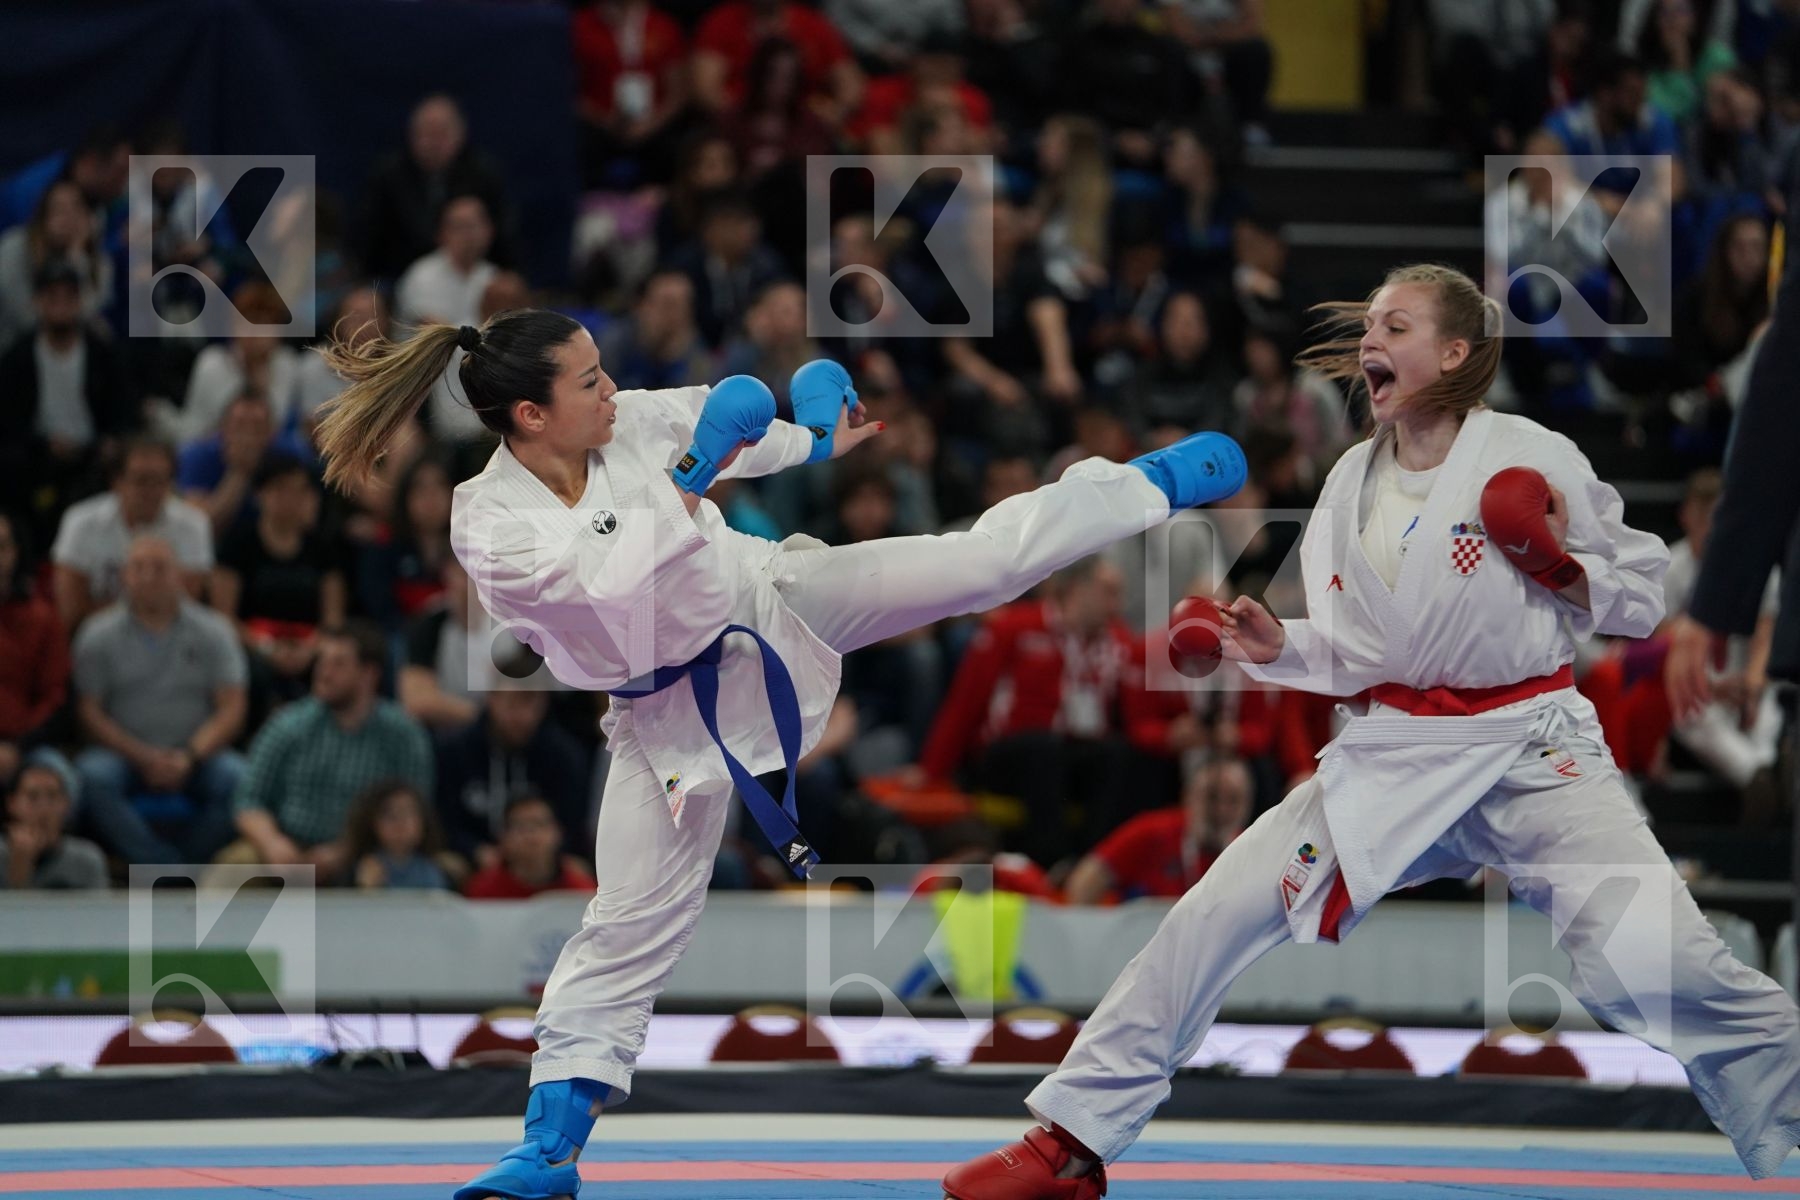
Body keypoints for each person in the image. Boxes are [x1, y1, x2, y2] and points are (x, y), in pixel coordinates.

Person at [308, 302, 1245, 1200]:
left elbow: (733, 426)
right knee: (629, 923)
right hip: (662, 714)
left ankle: (1142, 485)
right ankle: (547, 1151)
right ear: (529, 413)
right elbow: (608, 584)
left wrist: (816, 434)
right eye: (590, 380)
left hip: (767, 599)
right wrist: (690, 473)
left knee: (976, 567)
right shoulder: (488, 520)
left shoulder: (626, 421)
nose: (611, 390)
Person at [944, 263, 1800, 1198]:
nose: (1370, 343)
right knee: (1212, 915)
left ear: (1455, 352)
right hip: (1392, 752)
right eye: (1370, 327)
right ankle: (1068, 1144)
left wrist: (1561, 567)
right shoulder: (1351, 478)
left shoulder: (1531, 452)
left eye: (1396, 326)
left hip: (1532, 747)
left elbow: (1639, 593)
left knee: (1661, 962)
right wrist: (1273, 645)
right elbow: (1357, 652)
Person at [72, 536, 248, 867]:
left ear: (179, 574)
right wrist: (142, 756)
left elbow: (232, 706)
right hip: (125, 756)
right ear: (124, 575)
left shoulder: (215, 630)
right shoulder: (96, 634)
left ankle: (186, 865)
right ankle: (161, 867)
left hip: (197, 756)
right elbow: (88, 710)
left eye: (160, 567)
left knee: (240, 779)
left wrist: (190, 756)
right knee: (91, 776)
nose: (150, 576)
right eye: (139, 568)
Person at [225, 622, 433, 882]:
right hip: (287, 849)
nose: (324, 672)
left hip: (369, 851)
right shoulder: (288, 724)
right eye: (321, 661)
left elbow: (415, 811)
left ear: (369, 673)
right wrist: (271, 842)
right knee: (231, 870)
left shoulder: (403, 735)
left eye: (338, 664)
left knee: (391, 872)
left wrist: (347, 850)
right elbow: (248, 800)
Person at [51, 437, 211, 633]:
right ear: (117, 481)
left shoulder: (193, 525)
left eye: (160, 481)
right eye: (141, 480)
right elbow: (72, 611)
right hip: (97, 639)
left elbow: (186, 605)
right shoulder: (80, 523)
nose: (151, 491)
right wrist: (147, 606)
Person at [1063, 756, 1253, 903]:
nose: (1221, 810)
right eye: (1211, 798)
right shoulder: (1152, 832)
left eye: (1233, 800)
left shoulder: (1251, 848)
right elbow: (1081, 885)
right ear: (1188, 796)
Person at [463, 793, 597, 900]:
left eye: (539, 824)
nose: (530, 835)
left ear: (558, 832)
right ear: (503, 836)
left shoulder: (581, 891)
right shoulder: (483, 890)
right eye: (520, 826)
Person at [1, 761, 107, 890]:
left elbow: (98, 909)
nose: (44, 808)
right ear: (12, 804)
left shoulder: (87, 859)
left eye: (52, 796)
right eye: (32, 797)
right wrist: (19, 869)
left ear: (66, 804)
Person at [343, 779, 455, 891]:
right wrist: (366, 887)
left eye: (408, 812)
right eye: (390, 815)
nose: (400, 823)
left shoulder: (431, 868)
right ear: (371, 823)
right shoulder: (362, 867)